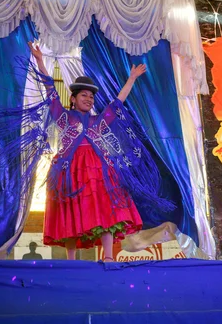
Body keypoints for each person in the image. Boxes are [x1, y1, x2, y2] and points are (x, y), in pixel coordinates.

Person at [27, 42, 171, 262]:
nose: (89, 99)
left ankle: (109, 257)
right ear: (73, 99)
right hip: (69, 169)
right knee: (70, 209)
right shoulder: (64, 117)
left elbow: (117, 103)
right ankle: (71, 259)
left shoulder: (98, 121)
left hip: (98, 169)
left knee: (105, 207)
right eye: (83, 95)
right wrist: (39, 60)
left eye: (91, 96)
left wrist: (131, 78)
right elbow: (50, 91)